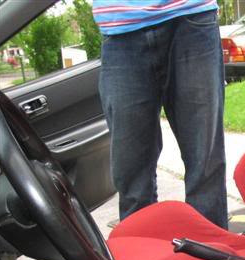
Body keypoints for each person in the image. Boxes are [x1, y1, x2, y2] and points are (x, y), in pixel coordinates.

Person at [94, 0, 228, 227]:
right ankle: (141, 246)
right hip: (120, 27)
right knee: (130, 174)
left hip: (190, 15)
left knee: (205, 166)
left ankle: (211, 248)